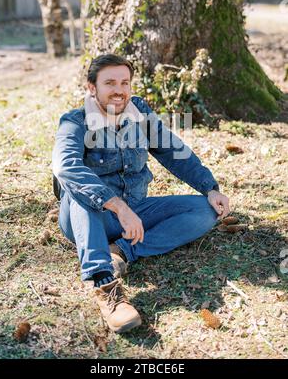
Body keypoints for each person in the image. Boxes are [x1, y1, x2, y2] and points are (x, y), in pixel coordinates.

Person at [52, 54, 230, 334]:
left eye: (124, 82)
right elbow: (66, 167)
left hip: (136, 212)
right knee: (79, 190)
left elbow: (174, 151)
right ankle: (105, 285)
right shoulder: (74, 121)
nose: (119, 90)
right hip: (89, 216)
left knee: (205, 211)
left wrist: (210, 188)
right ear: (91, 87)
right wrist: (119, 207)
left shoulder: (140, 114)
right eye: (109, 82)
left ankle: (122, 250)